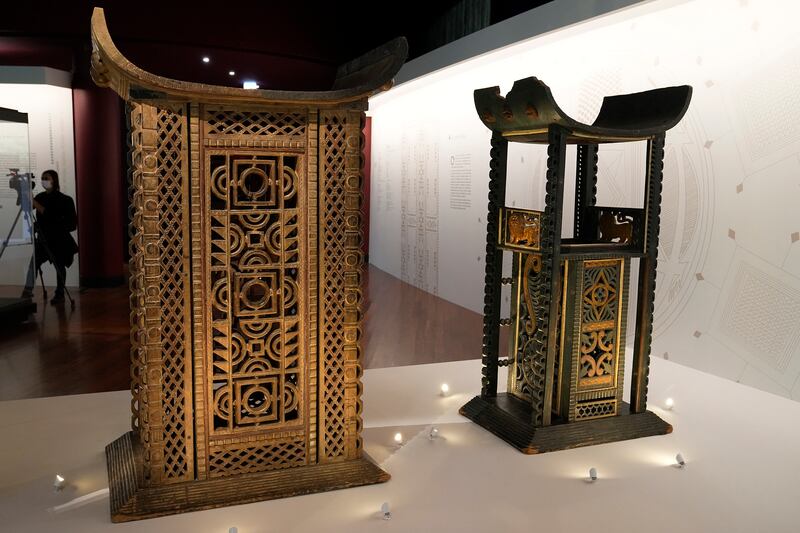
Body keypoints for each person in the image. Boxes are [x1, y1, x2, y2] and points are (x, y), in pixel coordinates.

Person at [21, 169, 78, 304]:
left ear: (54, 180)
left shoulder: (65, 200)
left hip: (58, 240)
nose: (43, 181)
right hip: (43, 239)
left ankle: (60, 293)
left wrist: (34, 203)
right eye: (42, 178)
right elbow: (27, 209)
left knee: (59, 266)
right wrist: (24, 195)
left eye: (46, 178)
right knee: (33, 265)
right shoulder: (40, 197)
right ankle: (27, 291)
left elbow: (66, 222)